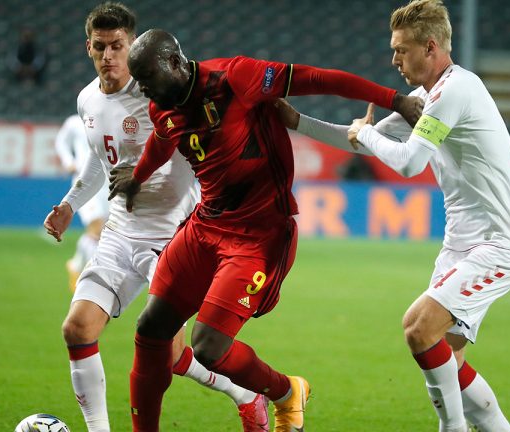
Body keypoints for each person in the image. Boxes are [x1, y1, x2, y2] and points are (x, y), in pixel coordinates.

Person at [108, 29, 423, 432]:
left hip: (259, 235)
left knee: (207, 347)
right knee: (150, 330)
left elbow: (318, 78)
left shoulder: (236, 78)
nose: (147, 92)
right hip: (206, 225)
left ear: (174, 63)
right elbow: (163, 140)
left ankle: (286, 392)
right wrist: (138, 176)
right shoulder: (162, 108)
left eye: (149, 80)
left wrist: (394, 99)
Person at [277, 1, 510, 430]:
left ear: (430, 46)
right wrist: (298, 122)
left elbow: (410, 163)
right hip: (461, 243)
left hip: (499, 243)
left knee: (418, 328)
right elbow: (367, 140)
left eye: (402, 49)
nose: (394, 59)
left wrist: (365, 135)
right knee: (448, 357)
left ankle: (450, 428)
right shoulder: (423, 98)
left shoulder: (455, 91)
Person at [42, 3, 269, 431]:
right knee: (77, 329)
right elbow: (99, 160)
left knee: (172, 354)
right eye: (100, 47)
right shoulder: (87, 99)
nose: (109, 55)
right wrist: (70, 204)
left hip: (172, 238)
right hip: (118, 233)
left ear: (132, 44)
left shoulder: (158, 96)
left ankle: (246, 394)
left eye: (117, 46)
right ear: (87, 47)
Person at [54, 114, 109, 291]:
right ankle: (94, 281)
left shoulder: (111, 117)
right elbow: (61, 142)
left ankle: (76, 265)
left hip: (108, 183)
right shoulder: (74, 122)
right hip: (83, 182)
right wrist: (68, 161)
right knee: (96, 227)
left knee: (104, 232)